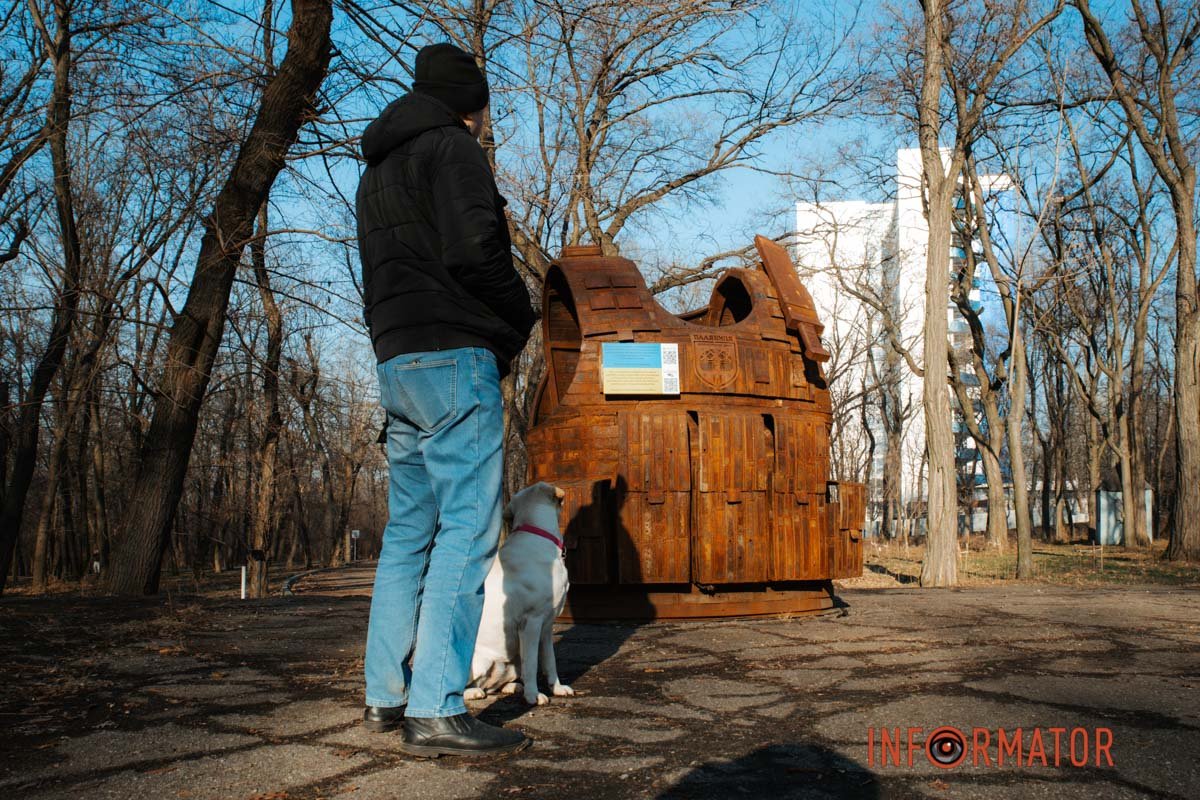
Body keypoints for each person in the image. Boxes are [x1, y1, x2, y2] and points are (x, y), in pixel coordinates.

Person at [355, 42, 536, 757]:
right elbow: (473, 250)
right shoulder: (454, 150)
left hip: (396, 359)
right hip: (456, 354)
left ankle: (384, 695)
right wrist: (518, 317)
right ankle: (434, 705)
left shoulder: (378, 168)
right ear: (472, 102)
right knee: (468, 527)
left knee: (409, 532)